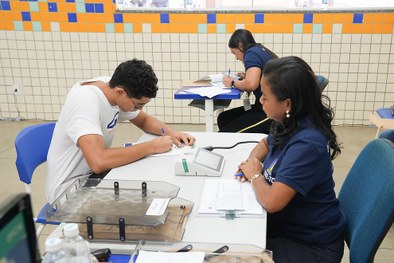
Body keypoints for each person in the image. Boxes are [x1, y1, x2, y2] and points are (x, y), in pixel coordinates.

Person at [235, 56, 346, 262]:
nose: (260, 100)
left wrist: (255, 175)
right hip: (288, 227)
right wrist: (251, 163)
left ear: (287, 103)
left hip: (312, 246)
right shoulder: (290, 120)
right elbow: (265, 144)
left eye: (265, 97)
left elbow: (271, 202)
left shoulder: (307, 144)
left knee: (231, 253)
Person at [45, 59, 195, 203]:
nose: (139, 109)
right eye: (137, 105)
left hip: (95, 176)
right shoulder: (84, 103)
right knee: (149, 202)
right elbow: (99, 161)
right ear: (119, 92)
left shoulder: (113, 87)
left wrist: (172, 133)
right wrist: (152, 147)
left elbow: (143, 120)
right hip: (69, 191)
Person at [218, 29, 278, 133]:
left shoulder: (251, 53)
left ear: (241, 46)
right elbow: (263, 76)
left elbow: (251, 84)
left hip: (270, 112)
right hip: (265, 105)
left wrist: (232, 83)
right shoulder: (260, 49)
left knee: (225, 134)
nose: (236, 58)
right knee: (223, 118)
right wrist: (247, 76)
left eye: (234, 53)